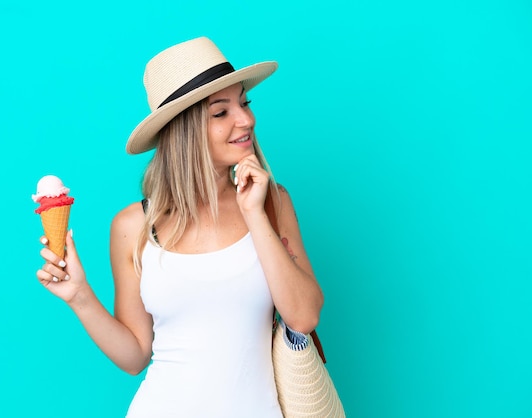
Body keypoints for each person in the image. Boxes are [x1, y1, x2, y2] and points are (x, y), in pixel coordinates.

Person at [36, 36, 324, 418]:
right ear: (184, 130)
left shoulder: (272, 203)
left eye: (244, 102)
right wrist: (80, 297)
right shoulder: (133, 226)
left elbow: (303, 317)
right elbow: (135, 355)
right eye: (221, 112)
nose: (246, 120)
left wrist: (254, 213)